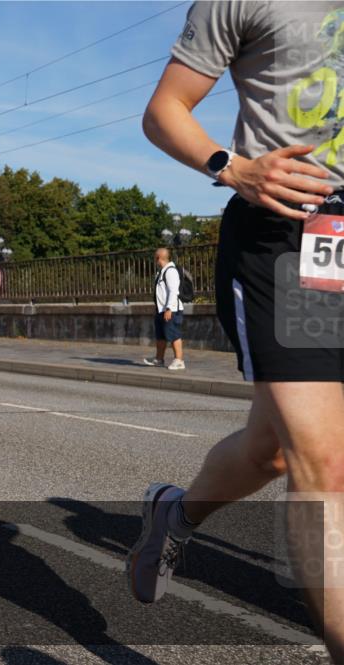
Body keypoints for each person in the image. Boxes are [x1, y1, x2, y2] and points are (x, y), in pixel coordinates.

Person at [129, 4, 344, 660]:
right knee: (325, 459)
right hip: (291, 238)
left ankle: (176, 513)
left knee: (269, 449)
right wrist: (234, 166)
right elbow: (165, 107)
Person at [143, 247, 185, 370]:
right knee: (161, 336)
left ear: (158, 258)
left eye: (154, 257)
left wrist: (169, 309)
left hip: (171, 310)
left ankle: (179, 360)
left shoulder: (170, 271)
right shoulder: (161, 272)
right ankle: (159, 359)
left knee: (173, 334)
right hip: (161, 310)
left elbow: (173, 291)